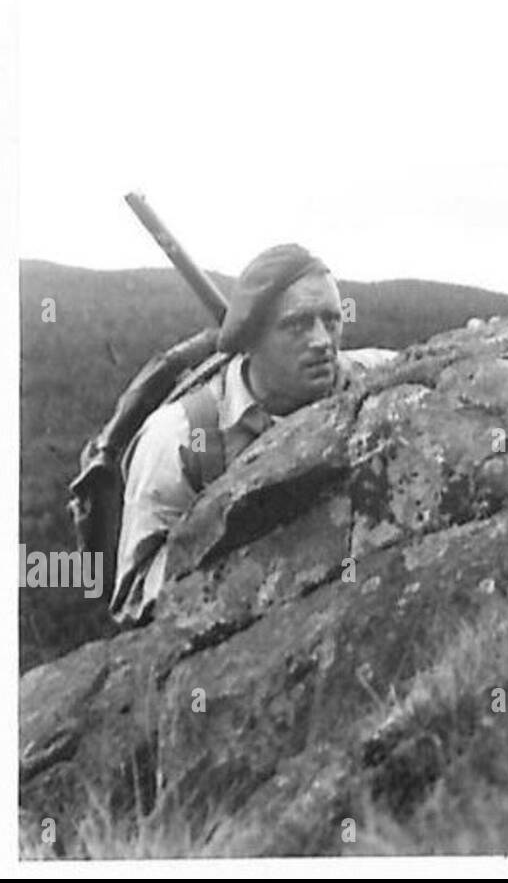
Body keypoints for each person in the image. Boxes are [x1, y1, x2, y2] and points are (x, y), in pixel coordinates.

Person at [110, 244, 395, 624]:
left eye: (331, 320)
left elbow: (444, 365)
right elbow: (133, 600)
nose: (322, 341)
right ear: (250, 340)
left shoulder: (368, 374)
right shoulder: (178, 438)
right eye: (297, 325)